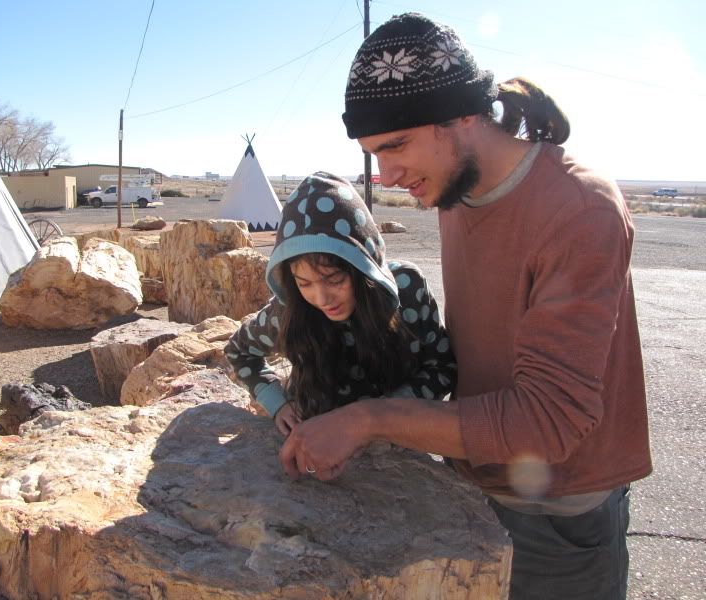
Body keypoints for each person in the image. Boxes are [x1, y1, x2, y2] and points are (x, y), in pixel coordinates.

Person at [278, 13, 652, 600]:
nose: (388, 174)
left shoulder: (579, 209)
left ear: (462, 117)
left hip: (557, 510)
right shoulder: (455, 193)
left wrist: (370, 418)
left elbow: (549, 422)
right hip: (471, 478)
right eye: (373, 154)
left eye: (395, 146)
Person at [225, 171, 456, 439]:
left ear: (363, 268)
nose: (322, 299)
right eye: (305, 283)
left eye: (334, 279)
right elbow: (239, 351)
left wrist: (388, 414)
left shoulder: (408, 289)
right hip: (318, 445)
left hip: (397, 445)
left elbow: (443, 366)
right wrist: (277, 403)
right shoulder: (290, 310)